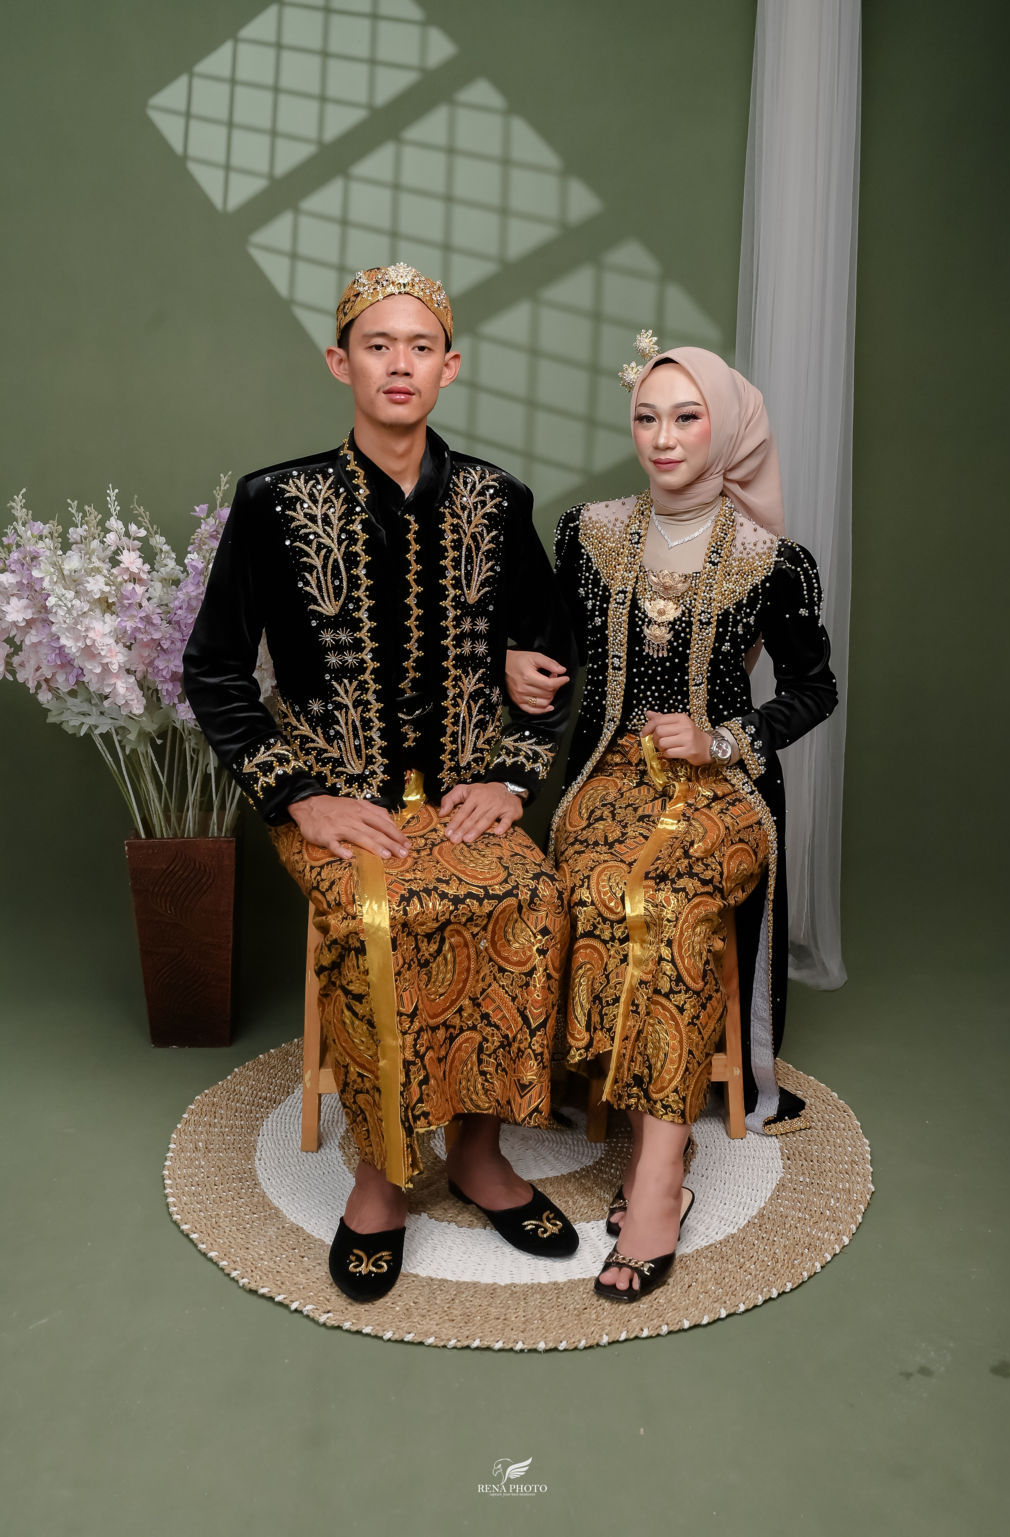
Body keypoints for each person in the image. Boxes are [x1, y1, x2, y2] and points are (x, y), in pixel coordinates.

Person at [184, 262, 579, 1304]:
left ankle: (480, 1154)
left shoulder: (497, 500)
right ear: (339, 362)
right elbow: (214, 669)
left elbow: (551, 655)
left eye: (420, 347)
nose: (399, 364)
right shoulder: (275, 501)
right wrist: (296, 797)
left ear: (450, 366)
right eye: (376, 345)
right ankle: (381, 1175)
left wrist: (512, 778)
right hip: (333, 798)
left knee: (530, 897)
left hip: (463, 798)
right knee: (378, 918)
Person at [507, 340, 837, 1301]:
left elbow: (816, 688)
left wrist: (725, 736)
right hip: (605, 780)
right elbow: (550, 651)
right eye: (648, 416)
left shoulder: (773, 560)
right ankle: (635, 1117)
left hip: (722, 792)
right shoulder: (588, 534)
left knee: (677, 900)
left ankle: (658, 1177)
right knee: (605, 886)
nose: (663, 437)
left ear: (726, 429)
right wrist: (518, 663)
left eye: (687, 417)